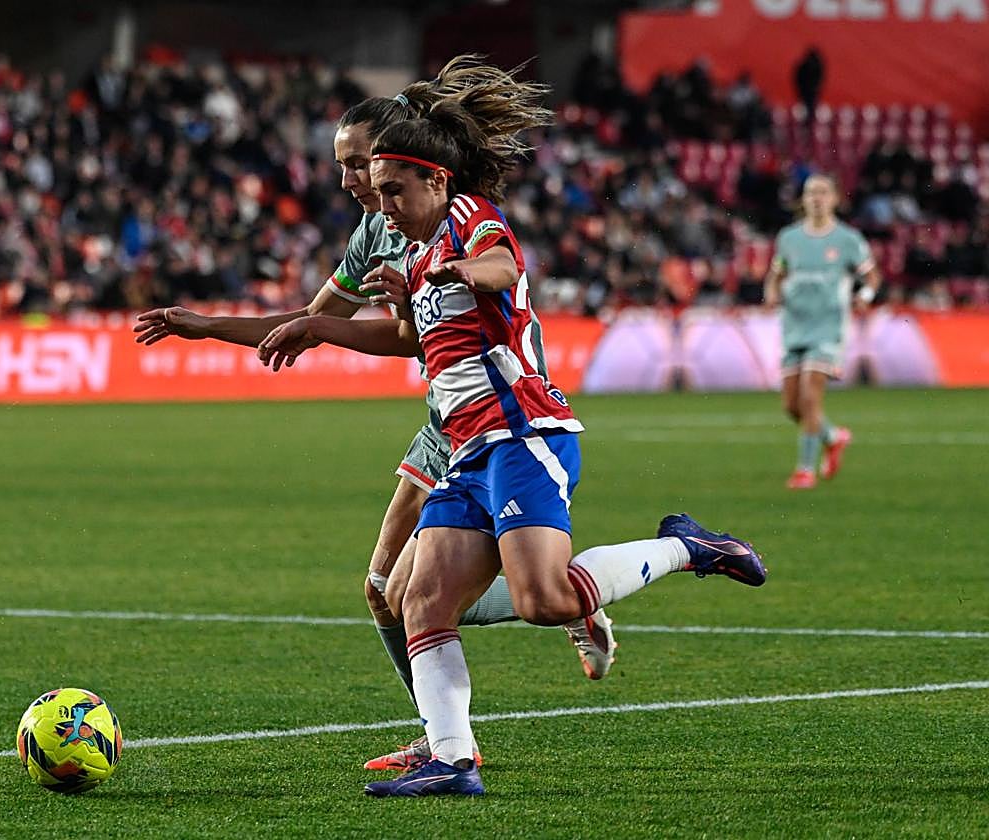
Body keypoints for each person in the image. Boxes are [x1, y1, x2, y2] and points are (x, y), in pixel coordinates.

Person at [259, 99, 767, 797]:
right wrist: (317, 327)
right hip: (466, 453)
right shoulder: (411, 252)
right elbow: (402, 339)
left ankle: (688, 547)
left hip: (525, 436)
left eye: (392, 191)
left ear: (436, 181)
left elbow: (501, 264)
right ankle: (453, 759)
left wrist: (466, 273)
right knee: (417, 602)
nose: (382, 206)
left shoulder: (467, 218)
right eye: (376, 193)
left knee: (543, 601)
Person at [132, 57, 617, 775]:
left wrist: (426, 292)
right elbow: (313, 321)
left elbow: (455, 303)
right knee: (384, 590)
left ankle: (562, 607)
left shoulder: (452, 211)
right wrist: (208, 324)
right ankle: (444, 732)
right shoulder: (374, 230)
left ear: (403, 157)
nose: (350, 182)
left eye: (358, 163)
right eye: (342, 167)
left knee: (426, 592)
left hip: (502, 413)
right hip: (443, 423)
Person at [764, 174, 882, 489]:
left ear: (834, 198)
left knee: (810, 395)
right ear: (803, 199)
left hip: (829, 330)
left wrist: (864, 296)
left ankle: (805, 469)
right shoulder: (788, 238)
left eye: (822, 192)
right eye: (810, 192)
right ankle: (832, 436)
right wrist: (771, 293)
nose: (816, 198)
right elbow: (776, 274)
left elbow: (872, 278)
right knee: (792, 406)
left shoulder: (848, 239)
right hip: (794, 327)